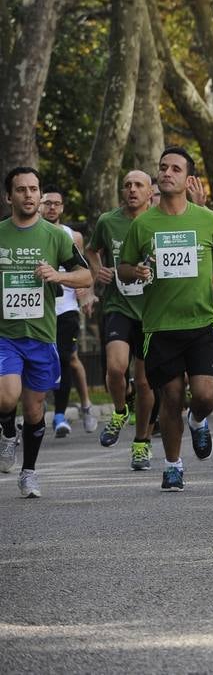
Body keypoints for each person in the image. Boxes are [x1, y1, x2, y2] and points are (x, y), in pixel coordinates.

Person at [118, 148, 213, 491]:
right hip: (160, 327)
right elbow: (123, 268)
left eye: (175, 168)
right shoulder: (143, 224)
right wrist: (136, 271)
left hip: (201, 323)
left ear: (188, 180)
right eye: (163, 167)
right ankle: (173, 465)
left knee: (203, 396)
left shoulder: (205, 219)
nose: (166, 173)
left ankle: (198, 419)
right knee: (170, 398)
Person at [0, 168, 92, 496]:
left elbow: (86, 276)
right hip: (5, 336)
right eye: (21, 189)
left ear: (40, 196)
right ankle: (8, 431)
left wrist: (57, 276)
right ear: (9, 197)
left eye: (33, 189)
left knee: (35, 408)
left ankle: (29, 472)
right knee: (6, 395)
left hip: (41, 336)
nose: (28, 195)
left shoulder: (56, 237)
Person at [87, 170, 157, 469]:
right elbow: (91, 250)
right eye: (127, 185)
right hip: (119, 304)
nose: (131, 190)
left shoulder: (160, 222)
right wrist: (97, 270)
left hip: (152, 310)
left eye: (138, 185)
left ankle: (141, 442)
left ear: (149, 193)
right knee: (116, 368)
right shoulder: (108, 221)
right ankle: (119, 410)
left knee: (144, 382)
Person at [38, 190, 96, 437]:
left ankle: (76, 409)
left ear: (62, 208)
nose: (51, 208)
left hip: (66, 308)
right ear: (40, 206)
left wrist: (87, 294)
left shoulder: (73, 236)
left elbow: (84, 270)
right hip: (38, 309)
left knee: (67, 359)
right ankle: (36, 413)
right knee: (38, 360)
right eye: (47, 203)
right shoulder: (32, 233)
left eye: (56, 204)